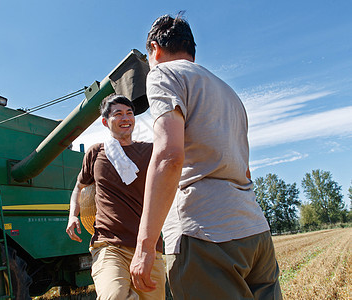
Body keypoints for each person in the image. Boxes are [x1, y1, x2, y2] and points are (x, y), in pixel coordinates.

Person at [130, 14, 282, 299]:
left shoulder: (163, 74)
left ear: (154, 49)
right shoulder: (228, 92)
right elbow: (245, 171)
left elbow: (168, 156)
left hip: (204, 235)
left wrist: (145, 245)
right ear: (191, 49)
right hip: (255, 232)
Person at [66, 94, 165, 300]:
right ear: (105, 121)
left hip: (148, 246)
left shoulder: (149, 150)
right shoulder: (96, 153)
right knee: (114, 296)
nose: (125, 118)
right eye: (118, 114)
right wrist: (72, 216)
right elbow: (79, 186)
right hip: (108, 244)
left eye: (129, 113)